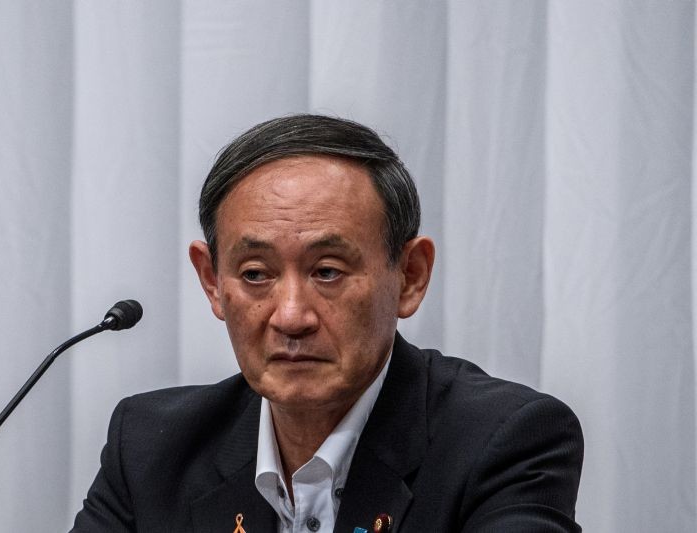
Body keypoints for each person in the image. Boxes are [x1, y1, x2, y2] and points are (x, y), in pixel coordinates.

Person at [71, 114, 583, 532]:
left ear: (410, 277)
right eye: (255, 274)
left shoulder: (504, 442)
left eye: (327, 272)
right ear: (212, 282)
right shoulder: (150, 447)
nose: (291, 316)